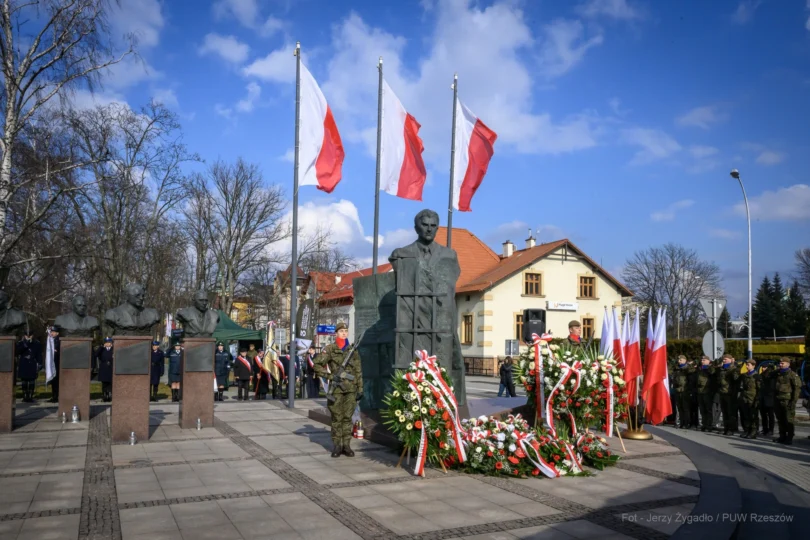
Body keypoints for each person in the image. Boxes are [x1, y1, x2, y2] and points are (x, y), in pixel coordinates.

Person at [315, 322, 363, 458]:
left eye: (346, 331)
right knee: (337, 418)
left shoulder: (352, 350)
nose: (344, 333)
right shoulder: (330, 349)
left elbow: (358, 370)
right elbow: (317, 365)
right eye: (341, 331)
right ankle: (337, 445)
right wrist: (330, 376)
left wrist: (360, 388)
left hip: (351, 389)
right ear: (336, 333)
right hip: (336, 390)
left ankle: (346, 445)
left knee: (347, 418)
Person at [769, 357, 802, 445]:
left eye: (782, 363)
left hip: (787, 401)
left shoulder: (792, 375)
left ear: (788, 364)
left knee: (789, 420)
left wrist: (793, 402)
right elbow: (769, 376)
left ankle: (789, 437)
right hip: (777, 399)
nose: (780, 365)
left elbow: (797, 389)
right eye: (780, 363)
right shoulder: (778, 373)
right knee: (780, 419)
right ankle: (782, 436)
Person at [715, 354, 740, 435]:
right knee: (724, 412)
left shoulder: (734, 369)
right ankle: (726, 428)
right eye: (723, 359)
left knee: (730, 412)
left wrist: (730, 370)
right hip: (722, 393)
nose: (724, 360)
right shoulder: (721, 369)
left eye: (725, 359)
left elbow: (736, 380)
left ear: (730, 359)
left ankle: (731, 429)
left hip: (730, 394)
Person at [738, 358, 760, 439]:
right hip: (744, 398)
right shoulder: (745, 375)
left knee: (753, 416)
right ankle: (747, 430)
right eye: (746, 365)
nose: (747, 366)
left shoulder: (756, 376)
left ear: (753, 366)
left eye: (748, 365)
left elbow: (759, 389)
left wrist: (757, 399)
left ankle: (753, 432)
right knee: (746, 416)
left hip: (752, 398)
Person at [16, 331, 41, 403]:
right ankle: (24, 396)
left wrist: (40, 363)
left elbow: (39, 354)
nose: (28, 337)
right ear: (24, 336)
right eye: (26, 336)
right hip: (24, 363)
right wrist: (26, 344)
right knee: (24, 380)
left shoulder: (36, 343)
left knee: (31, 380)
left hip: (32, 363)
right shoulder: (21, 343)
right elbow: (18, 351)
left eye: (29, 336)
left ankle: (30, 396)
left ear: (32, 336)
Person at [671, 356, 695, 429]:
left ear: (685, 360)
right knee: (680, 408)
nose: (679, 361)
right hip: (678, 390)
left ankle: (686, 423)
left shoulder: (688, 369)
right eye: (678, 360)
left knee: (686, 408)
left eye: (681, 360)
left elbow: (691, 377)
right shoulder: (677, 369)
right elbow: (674, 378)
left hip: (685, 390)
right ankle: (682, 422)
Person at [695, 356, 715, 432]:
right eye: (702, 360)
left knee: (708, 410)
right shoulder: (700, 368)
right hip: (700, 391)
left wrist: (708, 366)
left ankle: (709, 425)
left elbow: (712, 372)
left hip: (707, 392)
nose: (702, 361)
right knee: (702, 410)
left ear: (708, 361)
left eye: (704, 360)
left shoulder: (710, 368)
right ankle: (704, 424)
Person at [758, 362, 776, 437]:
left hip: (770, 397)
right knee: (763, 415)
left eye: (765, 367)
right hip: (763, 397)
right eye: (762, 367)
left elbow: (772, 387)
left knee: (770, 415)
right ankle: (765, 429)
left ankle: (771, 430)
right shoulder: (761, 375)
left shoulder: (772, 376)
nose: (763, 368)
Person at [95, 337, 114, 402]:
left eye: (109, 342)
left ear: (111, 343)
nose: (107, 344)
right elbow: (96, 354)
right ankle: (104, 396)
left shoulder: (113, 349)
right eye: (106, 342)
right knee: (104, 384)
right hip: (104, 368)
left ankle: (110, 395)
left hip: (111, 368)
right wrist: (101, 347)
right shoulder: (102, 350)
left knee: (111, 383)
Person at [48, 326, 61, 403]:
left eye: (53, 332)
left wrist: (56, 351)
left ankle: (57, 396)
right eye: (51, 332)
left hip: (57, 363)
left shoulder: (59, 341)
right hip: (51, 363)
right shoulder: (50, 340)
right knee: (53, 380)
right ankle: (54, 396)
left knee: (57, 380)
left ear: (57, 333)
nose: (52, 333)